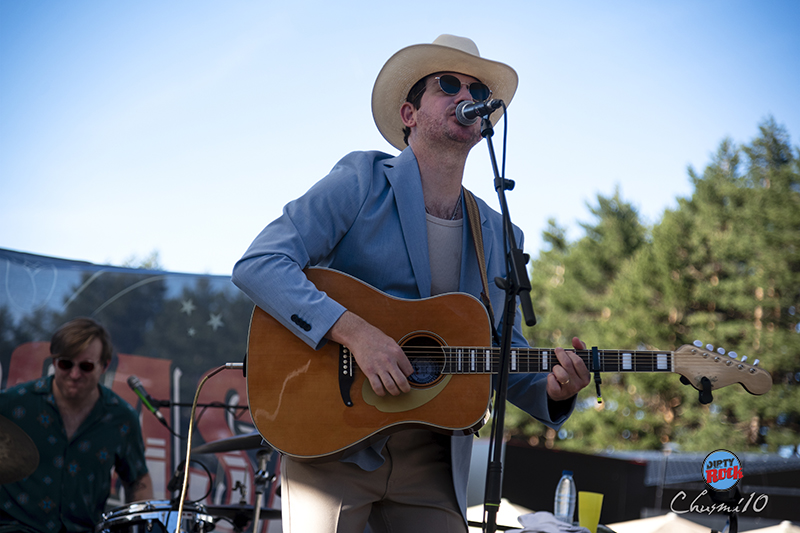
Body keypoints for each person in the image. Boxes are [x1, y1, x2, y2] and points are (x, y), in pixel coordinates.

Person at [232, 34, 591, 532]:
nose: (466, 96)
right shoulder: (360, 180)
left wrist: (555, 389)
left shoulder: (498, 231)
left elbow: (504, 352)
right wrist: (356, 333)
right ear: (409, 113)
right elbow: (260, 263)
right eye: (448, 84)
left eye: (476, 89)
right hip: (333, 438)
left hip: (432, 457)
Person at [0, 317, 152, 533]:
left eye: (86, 366)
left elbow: (137, 479)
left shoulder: (121, 417)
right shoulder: (13, 404)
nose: (74, 374)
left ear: (104, 365)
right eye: (65, 363)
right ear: (54, 361)